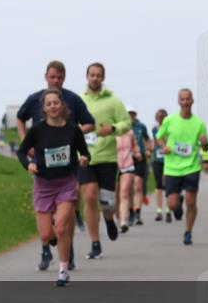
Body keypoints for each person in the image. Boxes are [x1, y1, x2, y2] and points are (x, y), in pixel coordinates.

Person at [16, 60, 96, 246]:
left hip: (67, 163)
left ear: (64, 78)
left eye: (60, 77)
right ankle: (47, 244)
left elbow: (90, 123)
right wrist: (24, 142)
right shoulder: (35, 99)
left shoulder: (73, 99)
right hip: (42, 160)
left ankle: (68, 249)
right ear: (46, 77)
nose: (56, 81)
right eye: (52, 77)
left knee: (66, 208)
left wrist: (72, 136)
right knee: (47, 209)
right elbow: (20, 118)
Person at [16, 89, 91, 287]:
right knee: (46, 235)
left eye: (56, 103)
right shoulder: (37, 130)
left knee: (61, 227)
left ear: (62, 104)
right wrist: (28, 164)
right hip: (43, 185)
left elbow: (85, 152)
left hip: (66, 183)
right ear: (44, 108)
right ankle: (55, 244)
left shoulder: (73, 129)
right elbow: (21, 151)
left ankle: (63, 270)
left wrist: (84, 159)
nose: (52, 107)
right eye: (48, 104)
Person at [79, 63, 131, 259]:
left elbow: (126, 123)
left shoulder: (113, 101)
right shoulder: (79, 100)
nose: (94, 78)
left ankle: (109, 219)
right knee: (90, 197)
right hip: (85, 157)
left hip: (108, 158)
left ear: (103, 78)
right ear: (87, 76)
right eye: (91, 75)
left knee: (106, 202)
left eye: (98, 75)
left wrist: (113, 129)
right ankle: (95, 242)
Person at [156, 88, 208, 246]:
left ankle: (188, 232)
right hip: (172, 168)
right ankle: (177, 203)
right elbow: (159, 137)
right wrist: (163, 146)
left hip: (191, 167)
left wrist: (205, 143)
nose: (185, 102)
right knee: (172, 205)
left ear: (192, 101)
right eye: (182, 99)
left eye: (188, 99)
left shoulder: (199, 123)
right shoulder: (170, 120)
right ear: (178, 101)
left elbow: (206, 148)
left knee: (191, 202)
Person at [126, 105, 151, 226]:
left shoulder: (141, 127)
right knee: (129, 187)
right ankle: (130, 211)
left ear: (135, 114)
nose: (131, 116)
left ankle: (137, 213)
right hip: (127, 159)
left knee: (138, 186)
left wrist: (148, 149)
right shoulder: (123, 127)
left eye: (132, 113)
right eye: (128, 113)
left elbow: (147, 139)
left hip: (140, 158)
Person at [115, 129, 140, 233]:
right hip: (113, 166)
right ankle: (116, 219)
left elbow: (134, 145)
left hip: (128, 165)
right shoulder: (109, 131)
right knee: (115, 196)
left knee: (124, 193)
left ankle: (123, 222)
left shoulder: (130, 132)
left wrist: (137, 153)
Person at [151, 109, 169, 221]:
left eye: (163, 117)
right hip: (157, 159)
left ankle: (168, 210)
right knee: (158, 184)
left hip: (169, 160)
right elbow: (156, 141)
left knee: (167, 184)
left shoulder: (170, 128)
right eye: (159, 117)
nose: (160, 119)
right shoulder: (154, 129)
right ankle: (159, 211)